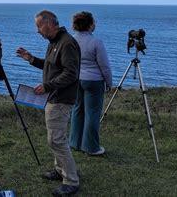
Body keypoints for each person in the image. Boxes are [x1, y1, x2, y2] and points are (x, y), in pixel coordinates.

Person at [16, 11, 80, 196]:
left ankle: (71, 181)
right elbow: (52, 66)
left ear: (50, 24)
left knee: (56, 140)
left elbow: (70, 73)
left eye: (39, 26)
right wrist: (32, 59)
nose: (37, 31)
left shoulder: (67, 43)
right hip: (54, 97)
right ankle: (60, 170)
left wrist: (47, 86)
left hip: (61, 98)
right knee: (55, 138)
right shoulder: (55, 42)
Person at [69, 11, 113, 156]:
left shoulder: (71, 40)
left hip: (76, 80)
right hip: (94, 81)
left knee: (77, 110)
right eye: (93, 21)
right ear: (89, 24)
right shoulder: (96, 42)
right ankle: (91, 147)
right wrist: (109, 82)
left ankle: (75, 142)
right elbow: (104, 66)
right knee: (92, 114)